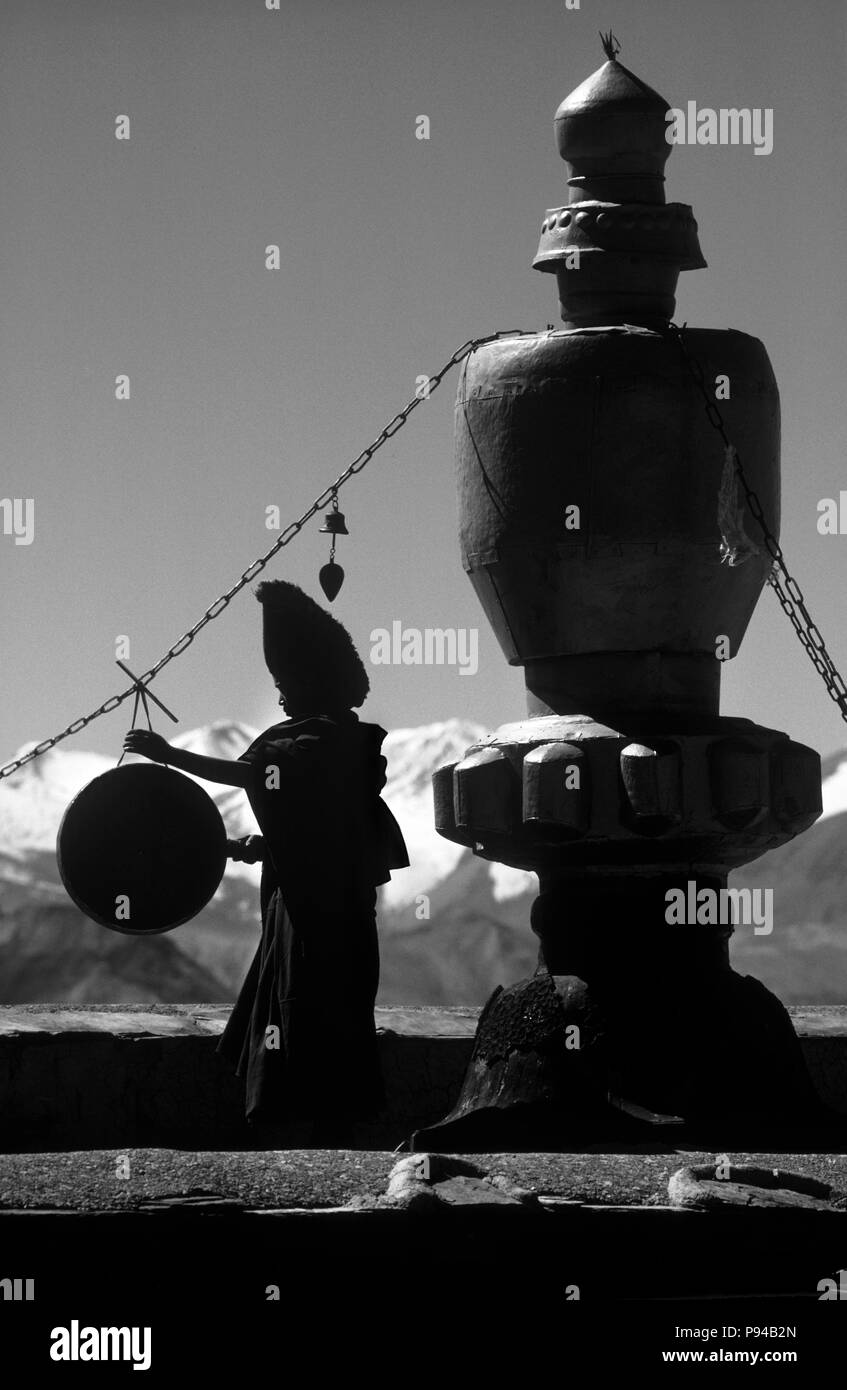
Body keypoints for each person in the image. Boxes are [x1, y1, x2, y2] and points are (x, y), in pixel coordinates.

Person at [123, 579, 409, 1146]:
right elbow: (312, 830)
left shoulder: (313, 744)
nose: (279, 695)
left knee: (310, 1009)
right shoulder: (343, 746)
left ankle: (324, 1135)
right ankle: (327, 1131)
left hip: (313, 920)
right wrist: (247, 848)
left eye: (287, 683)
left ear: (312, 684)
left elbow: (256, 776)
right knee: (323, 1008)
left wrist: (169, 756)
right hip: (325, 910)